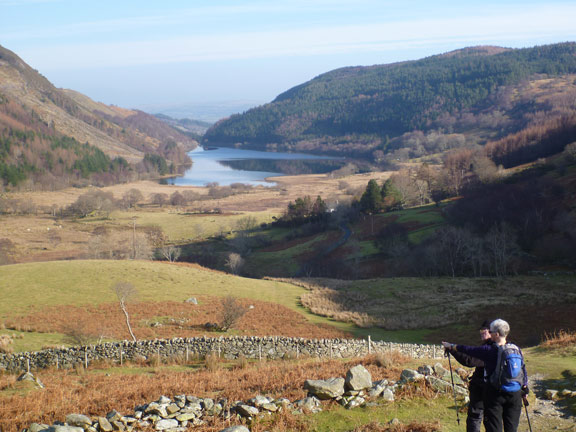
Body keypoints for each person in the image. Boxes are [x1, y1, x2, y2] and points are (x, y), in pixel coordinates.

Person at [442, 319, 528, 432]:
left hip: (495, 394)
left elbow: (469, 353)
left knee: (492, 426)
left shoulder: (490, 350)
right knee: (511, 428)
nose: (488, 333)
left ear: (496, 334)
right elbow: (522, 370)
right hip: (515, 395)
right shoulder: (515, 349)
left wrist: (452, 347)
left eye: (490, 331)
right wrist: (525, 388)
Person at [447, 320, 493, 432]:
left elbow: (469, 360)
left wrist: (452, 350)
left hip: (482, 388)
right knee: (491, 418)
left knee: (476, 417)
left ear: (492, 332)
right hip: (494, 388)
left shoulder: (489, 349)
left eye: (484, 330)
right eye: (481, 330)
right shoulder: (499, 347)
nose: (482, 333)